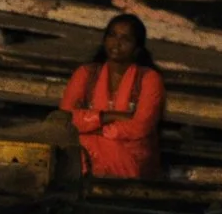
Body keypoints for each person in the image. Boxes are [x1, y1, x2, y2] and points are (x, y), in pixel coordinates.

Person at [59, 14, 166, 180]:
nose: (117, 43)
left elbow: (140, 126)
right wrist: (107, 116)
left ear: (137, 47)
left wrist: (96, 130)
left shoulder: (149, 78)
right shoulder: (85, 73)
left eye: (126, 39)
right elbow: (65, 118)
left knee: (89, 146)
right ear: (104, 40)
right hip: (88, 147)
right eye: (112, 35)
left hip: (132, 154)